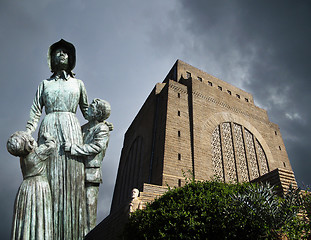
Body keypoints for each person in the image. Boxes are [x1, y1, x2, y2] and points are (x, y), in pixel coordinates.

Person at [25, 39, 89, 239]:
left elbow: (87, 112)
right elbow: (36, 112)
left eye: (66, 52)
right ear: (51, 58)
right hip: (49, 130)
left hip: (71, 131)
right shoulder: (44, 85)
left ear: (71, 59)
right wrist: (27, 133)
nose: (62, 54)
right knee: (49, 181)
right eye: (58, 52)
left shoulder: (78, 84)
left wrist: (100, 122)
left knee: (73, 183)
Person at [64, 98, 112, 232]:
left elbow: (97, 147)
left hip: (91, 174)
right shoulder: (83, 128)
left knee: (88, 214)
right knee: (76, 211)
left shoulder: (102, 128)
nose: (88, 108)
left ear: (97, 112)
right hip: (77, 172)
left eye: (91, 106)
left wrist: (73, 148)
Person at [7, 131, 55, 240]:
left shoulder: (22, 158)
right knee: (39, 216)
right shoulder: (38, 153)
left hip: (25, 188)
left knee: (26, 218)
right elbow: (52, 146)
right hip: (39, 186)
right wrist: (48, 136)